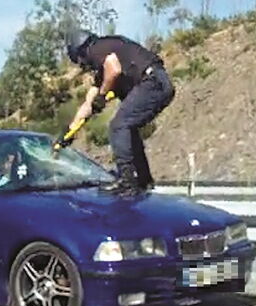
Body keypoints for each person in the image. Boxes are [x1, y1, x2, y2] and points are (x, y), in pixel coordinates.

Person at [61, 29, 175, 196]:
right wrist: (69, 132)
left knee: (118, 126)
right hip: (160, 83)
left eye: (80, 61)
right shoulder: (104, 62)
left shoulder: (97, 48)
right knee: (128, 128)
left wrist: (102, 95)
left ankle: (127, 181)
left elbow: (113, 69)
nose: (83, 65)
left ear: (81, 51)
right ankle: (143, 180)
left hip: (152, 82)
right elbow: (88, 103)